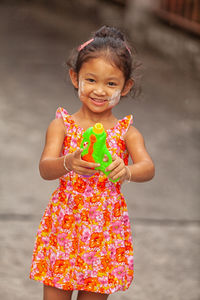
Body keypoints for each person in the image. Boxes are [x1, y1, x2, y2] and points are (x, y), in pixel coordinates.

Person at [30, 25, 155, 300]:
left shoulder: (126, 132)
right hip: (65, 225)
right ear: (75, 78)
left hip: (104, 231)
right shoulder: (62, 125)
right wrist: (68, 161)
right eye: (91, 80)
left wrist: (127, 170)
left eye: (111, 83)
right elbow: (45, 168)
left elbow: (148, 167)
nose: (100, 91)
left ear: (125, 87)